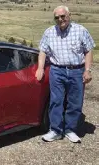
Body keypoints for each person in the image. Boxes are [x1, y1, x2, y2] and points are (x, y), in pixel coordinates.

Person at [35, 5, 96, 143]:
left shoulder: (81, 30)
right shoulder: (49, 32)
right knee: (56, 101)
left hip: (77, 70)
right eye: (57, 17)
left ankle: (70, 129)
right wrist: (40, 68)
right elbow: (43, 51)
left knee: (75, 102)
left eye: (63, 16)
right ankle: (55, 130)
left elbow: (88, 50)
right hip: (57, 70)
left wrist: (87, 70)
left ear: (69, 15)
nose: (60, 19)